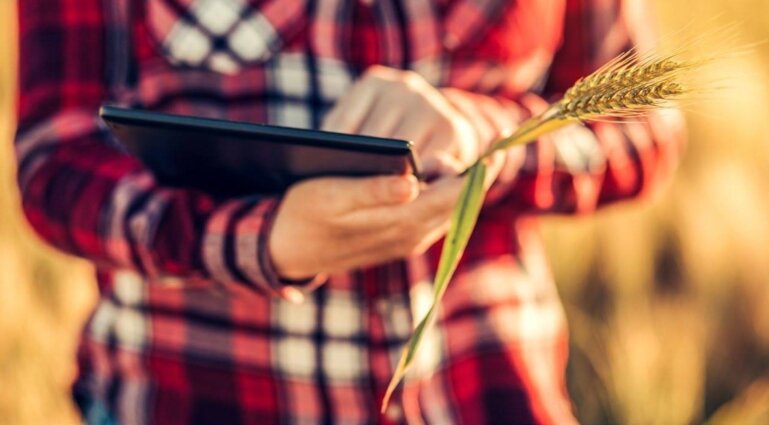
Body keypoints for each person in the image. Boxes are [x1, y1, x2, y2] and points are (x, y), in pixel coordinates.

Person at [15, 0, 684, 423]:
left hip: (484, 391)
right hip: (189, 395)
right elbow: (57, 158)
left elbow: (642, 126)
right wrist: (260, 243)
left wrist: (486, 140)